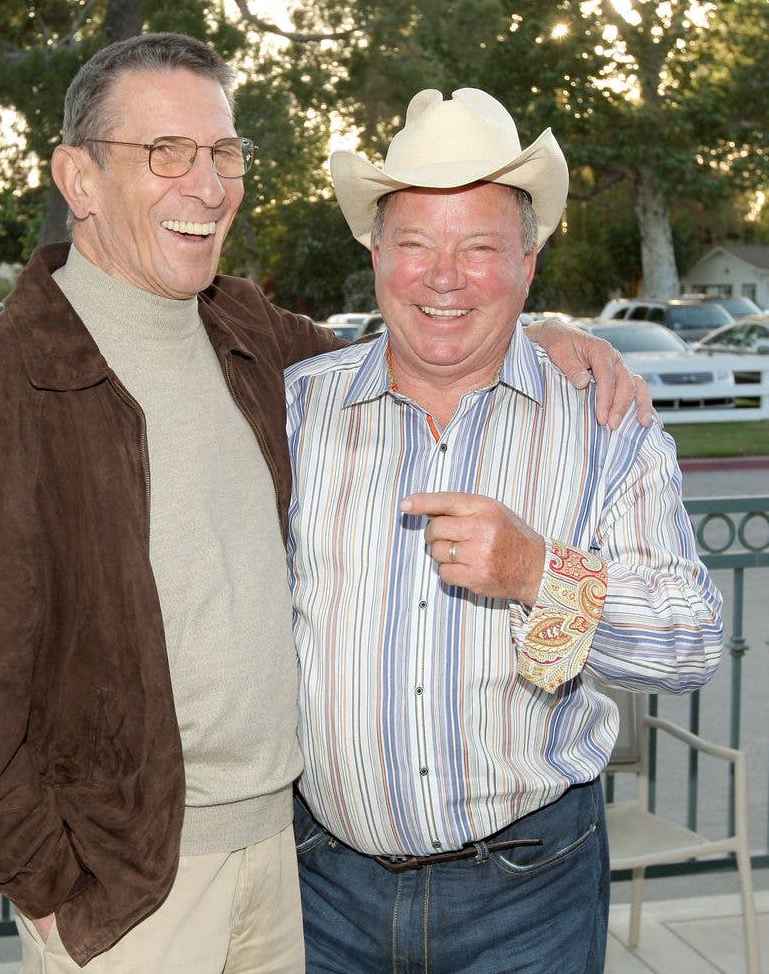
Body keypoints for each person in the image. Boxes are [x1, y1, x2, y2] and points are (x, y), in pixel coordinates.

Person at [0, 35, 646, 974]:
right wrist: (62, 883)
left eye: (222, 153)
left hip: (284, 866)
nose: (206, 184)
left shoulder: (248, 335)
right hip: (131, 889)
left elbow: (424, 337)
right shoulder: (3, 386)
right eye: (165, 153)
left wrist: (546, 329)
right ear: (77, 177)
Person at [285, 87, 723, 974]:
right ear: (375, 255)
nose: (442, 276)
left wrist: (540, 573)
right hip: (315, 890)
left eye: (479, 247)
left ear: (527, 265)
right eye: (414, 243)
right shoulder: (292, 412)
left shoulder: (605, 423)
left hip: (528, 892)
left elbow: (690, 644)